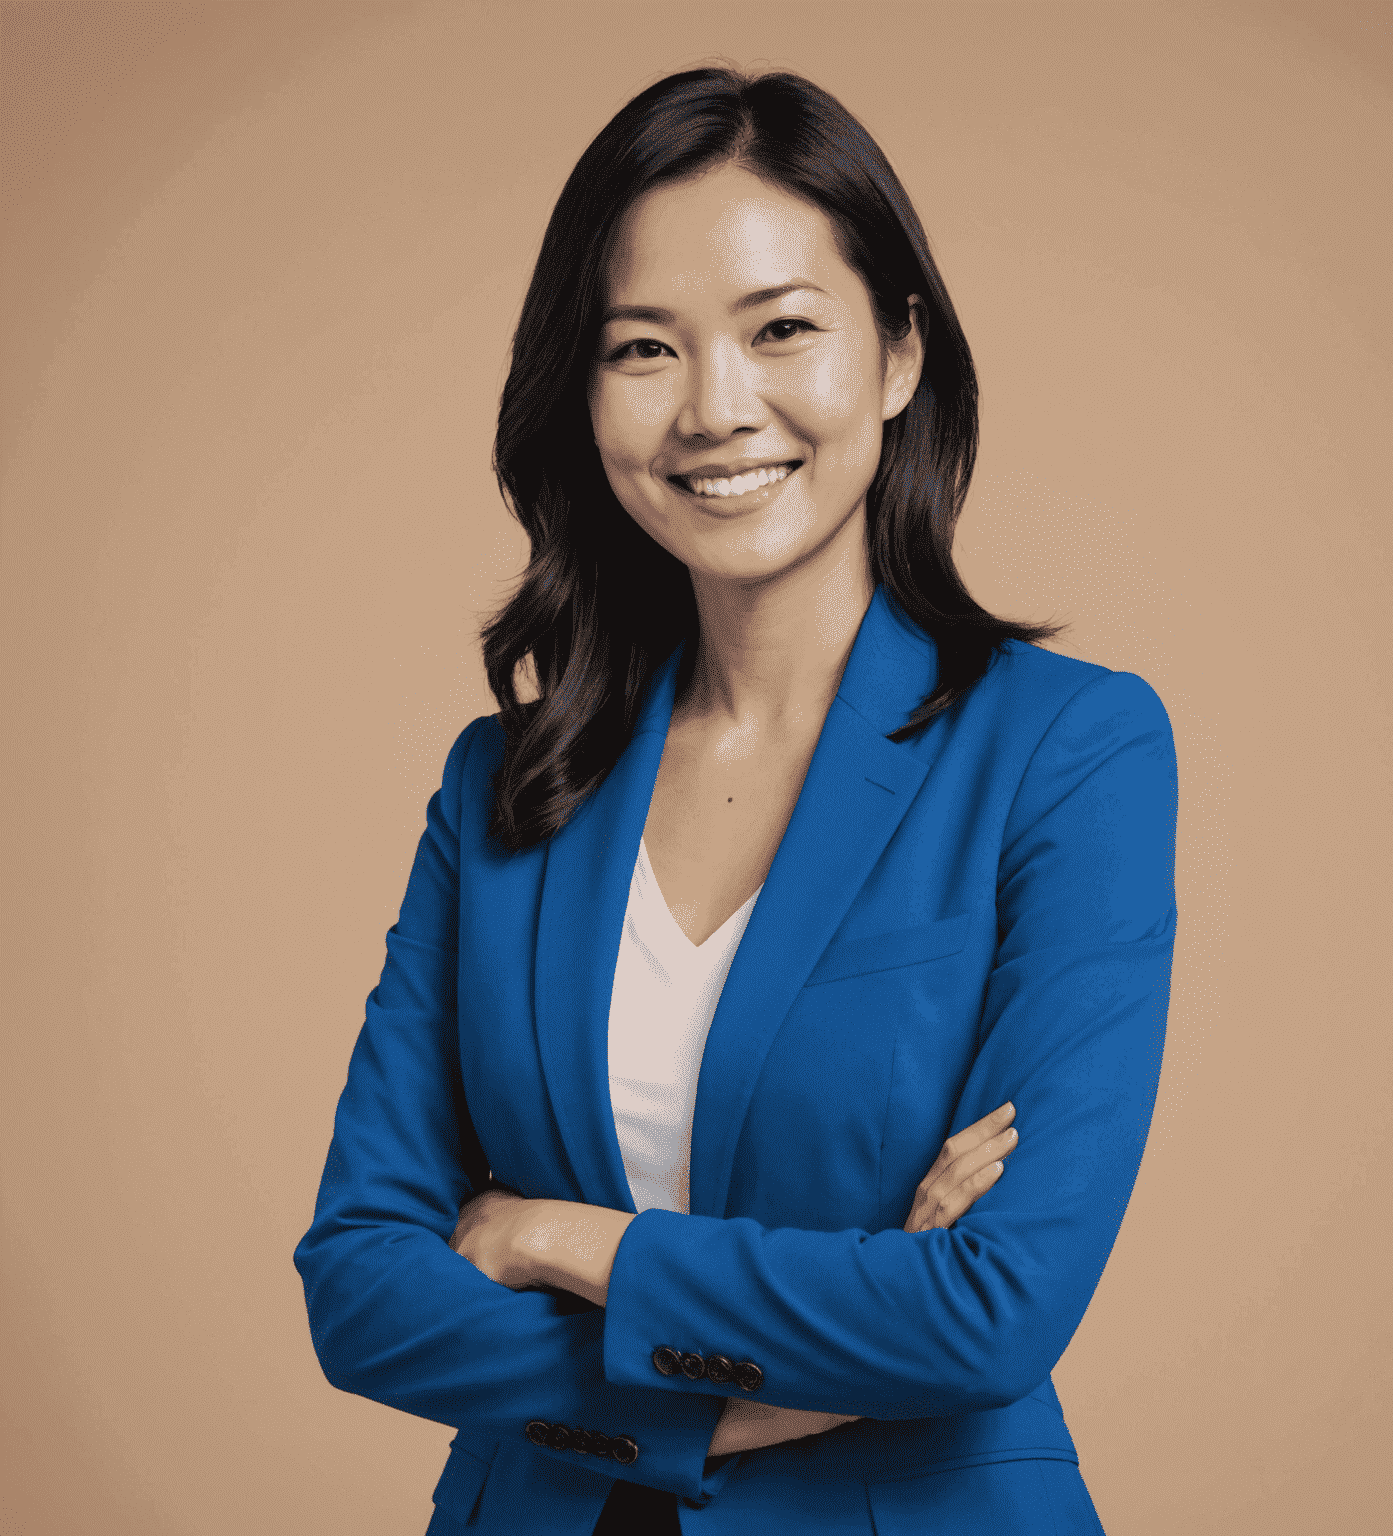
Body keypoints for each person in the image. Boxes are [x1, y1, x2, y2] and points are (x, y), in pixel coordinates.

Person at [294, 65, 1177, 1535]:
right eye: (645, 348)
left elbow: (992, 1312)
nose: (716, 408)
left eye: (781, 330)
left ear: (896, 357)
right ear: (581, 392)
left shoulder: (1067, 751)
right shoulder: (501, 789)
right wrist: (801, 1373)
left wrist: (558, 1237)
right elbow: (364, 1293)